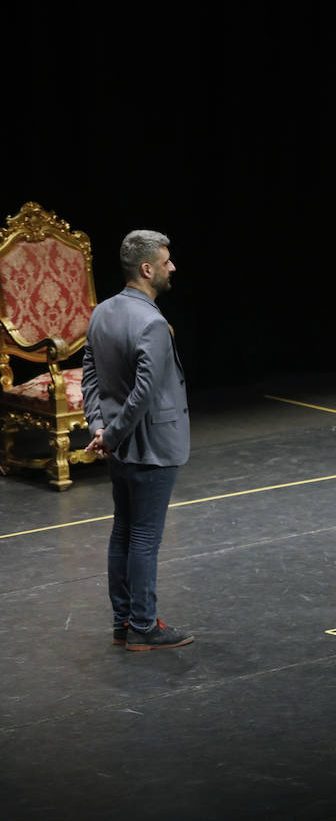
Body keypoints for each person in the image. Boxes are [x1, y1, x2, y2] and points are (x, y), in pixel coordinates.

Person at [82, 230, 194, 652]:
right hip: (149, 447)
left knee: (123, 532)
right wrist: (109, 434)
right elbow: (143, 395)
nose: (172, 267)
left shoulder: (103, 312)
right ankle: (144, 627)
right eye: (166, 261)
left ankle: (123, 620)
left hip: (118, 443)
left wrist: (99, 426)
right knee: (144, 538)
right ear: (147, 269)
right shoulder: (151, 322)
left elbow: (90, 375)